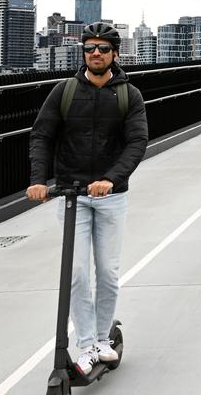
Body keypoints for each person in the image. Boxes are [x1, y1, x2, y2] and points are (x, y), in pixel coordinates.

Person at [27, 22, 148, 376]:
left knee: (107, 273)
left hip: (111, 196)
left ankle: (103, 338)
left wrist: (111, 179)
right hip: (72, 195)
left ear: (115, 54)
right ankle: (88, 344)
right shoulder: (64, 91)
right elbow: (42, 136)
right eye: (90, 48)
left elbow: (137, 142)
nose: (96, 53)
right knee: (77, 273)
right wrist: (38, 181)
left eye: (103, 48)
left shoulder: (129, 95)